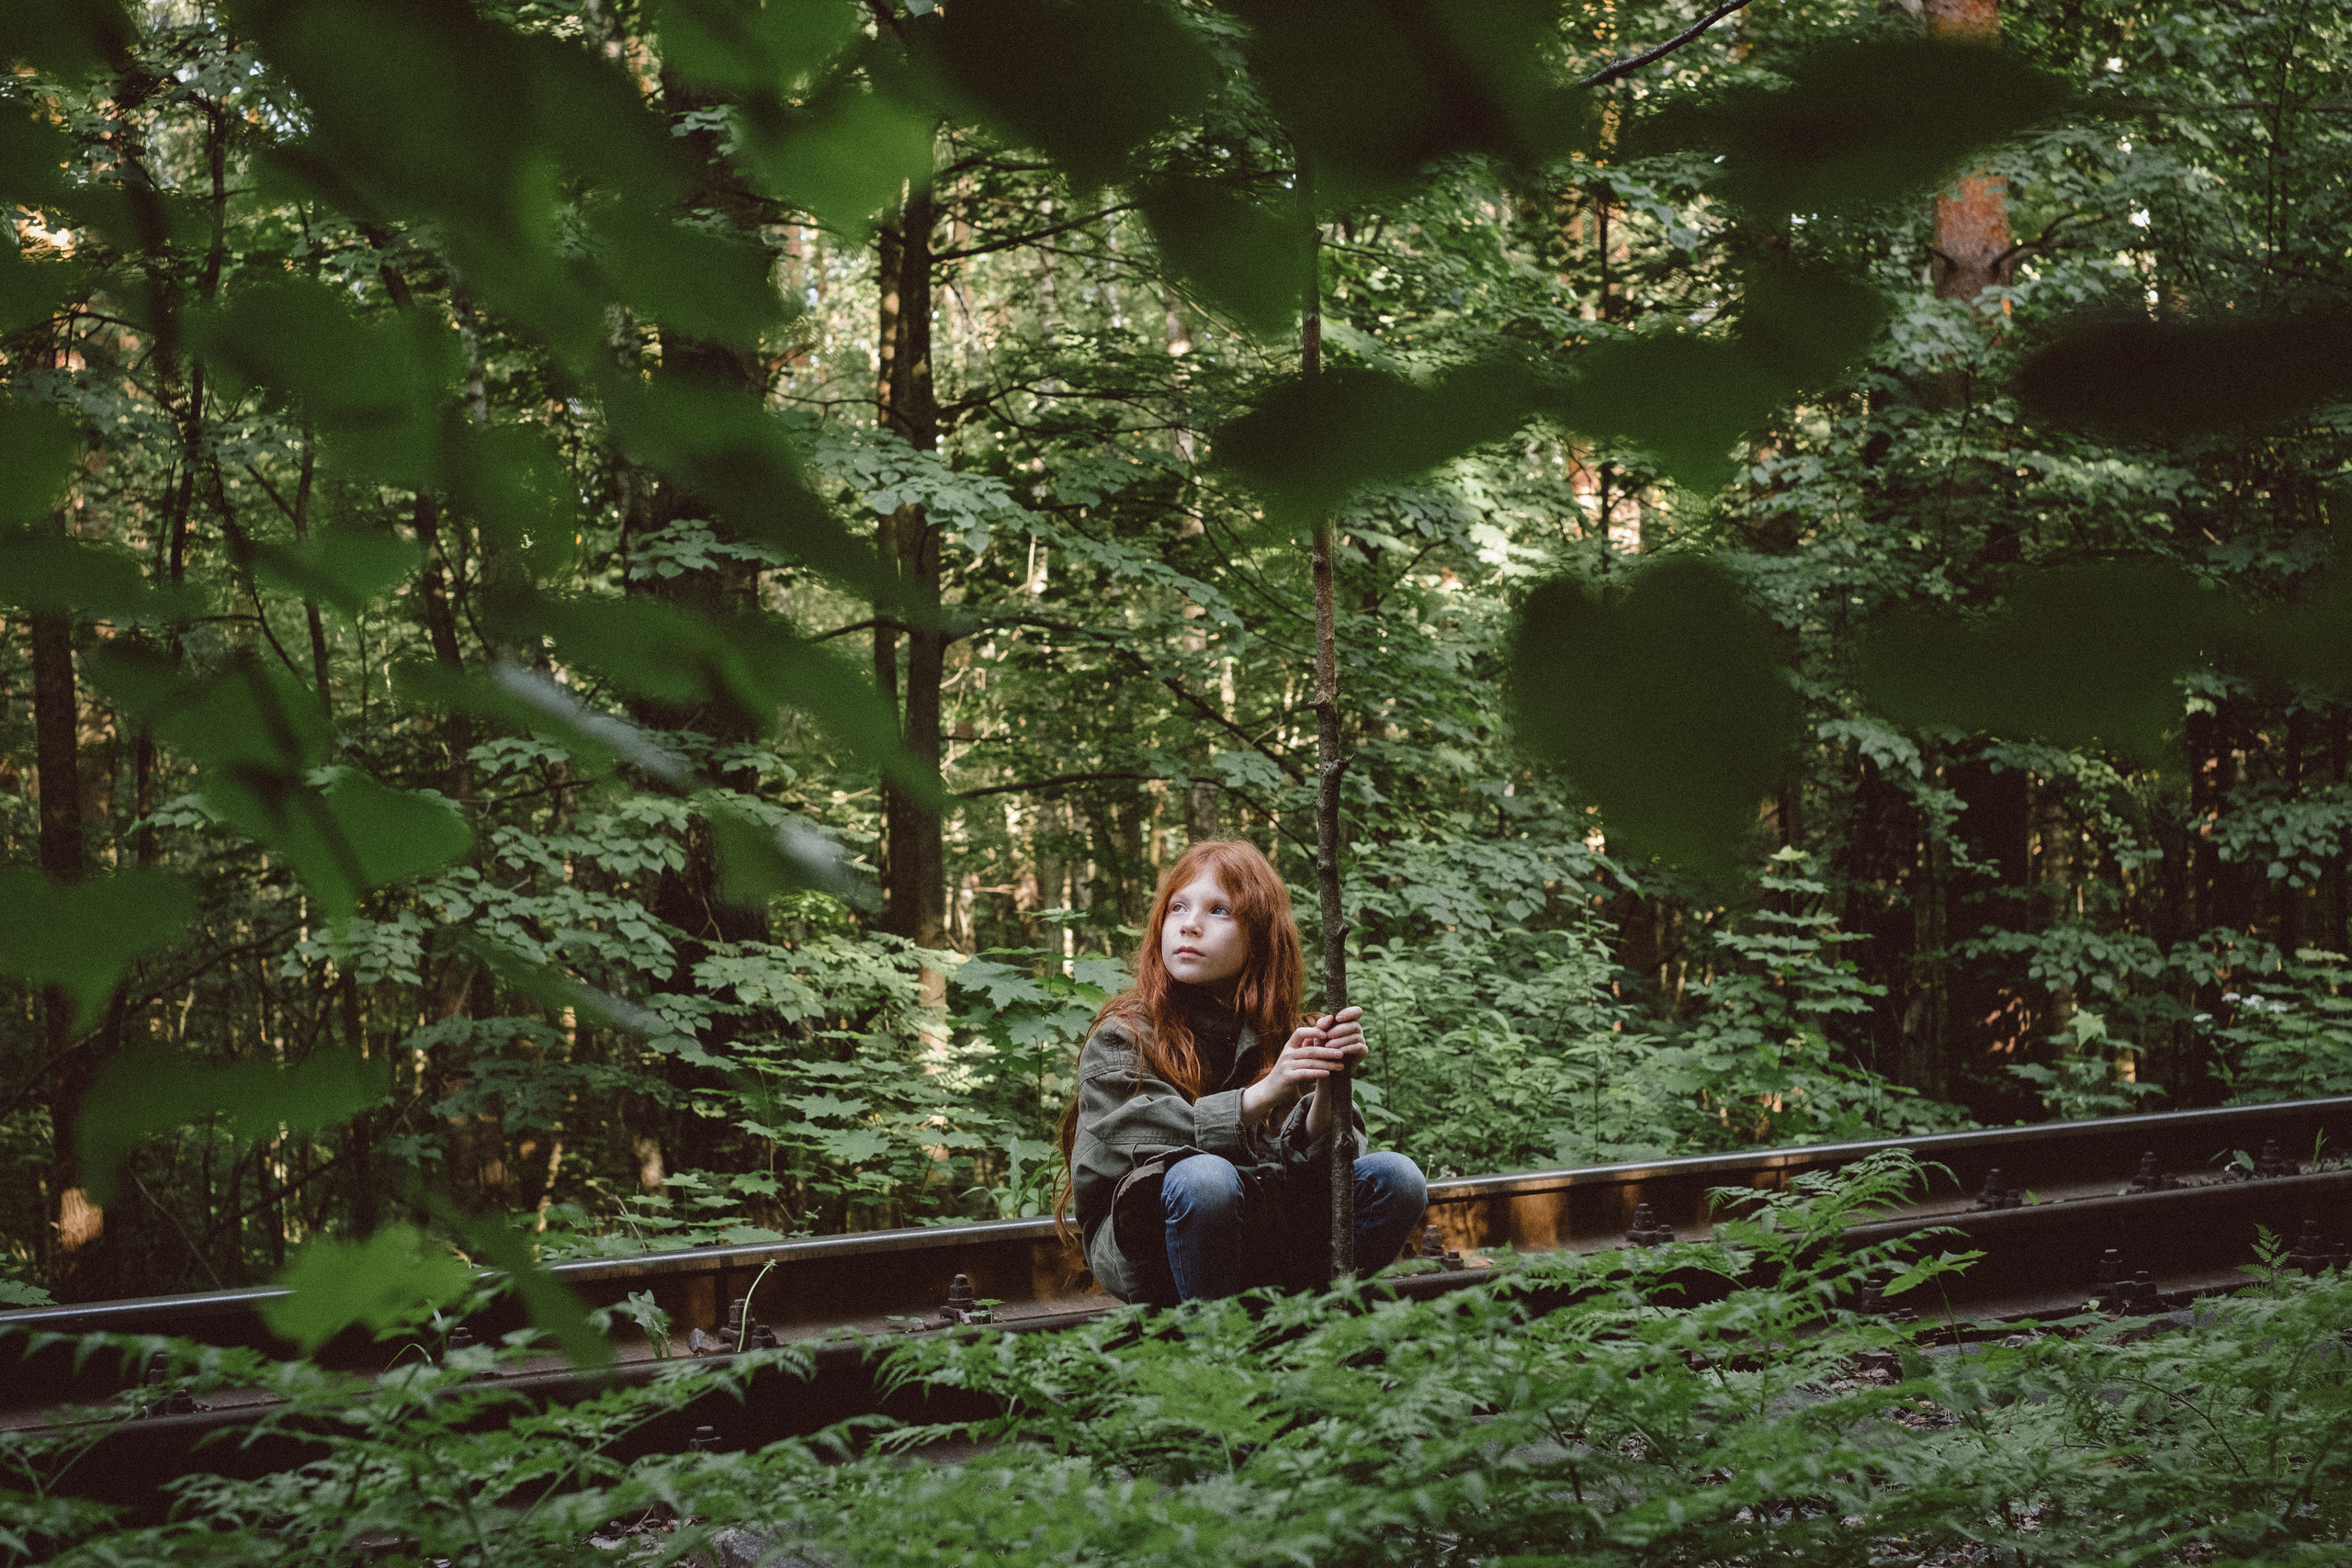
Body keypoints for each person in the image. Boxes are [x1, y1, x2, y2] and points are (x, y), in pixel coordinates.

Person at [1054, 839, 1428, 1306]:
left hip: (1263, 1229)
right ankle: (1216, 1353)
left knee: (1398, 1176)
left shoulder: (1282, 1033)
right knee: (1204, 1177)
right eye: (1178, 908)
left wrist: (1331, 1086)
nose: (1190, 925)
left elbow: (1307, 1171)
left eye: (1219, 911)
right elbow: (1156, 1149)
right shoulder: (1123, 1034)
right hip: (1151, 1247)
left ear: (1261, 937)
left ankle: (1315, 1327)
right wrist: (1265, 1093)